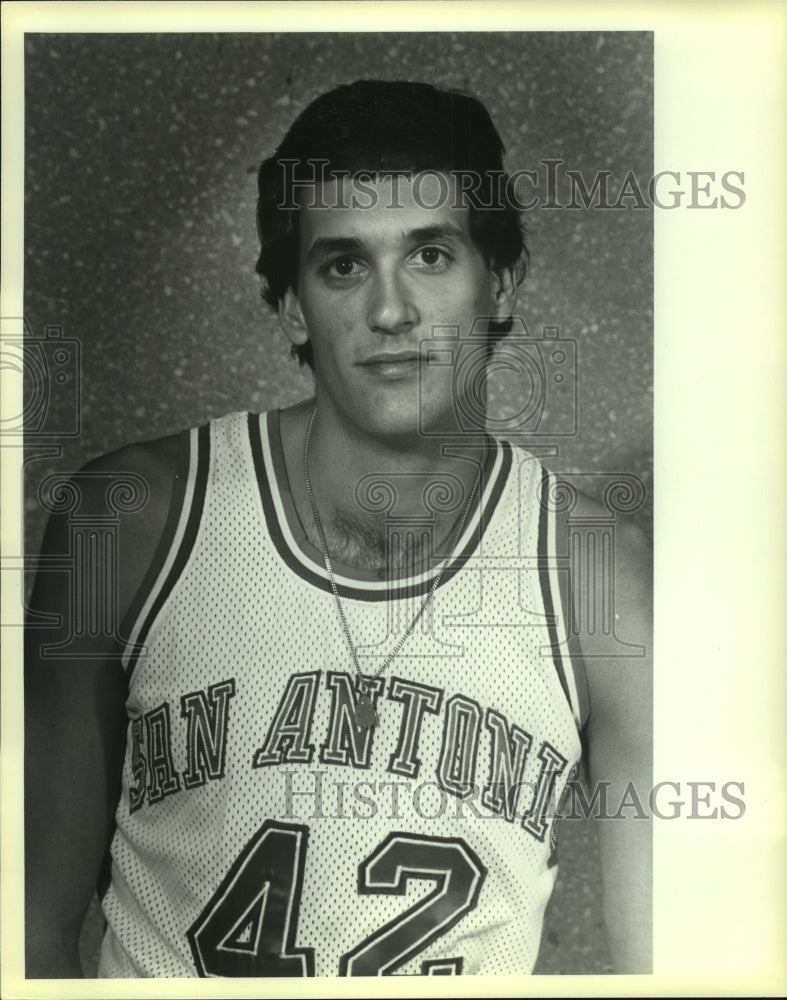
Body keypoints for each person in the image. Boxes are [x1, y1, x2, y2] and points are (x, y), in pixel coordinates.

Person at [24, 79, 652, 977]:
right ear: (291, 304)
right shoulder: (129, 519)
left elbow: (676, 968)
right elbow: (25, 930)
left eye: (431, 256)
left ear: (501, 281)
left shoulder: (598, 577)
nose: (390, 312)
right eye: (343, 265)